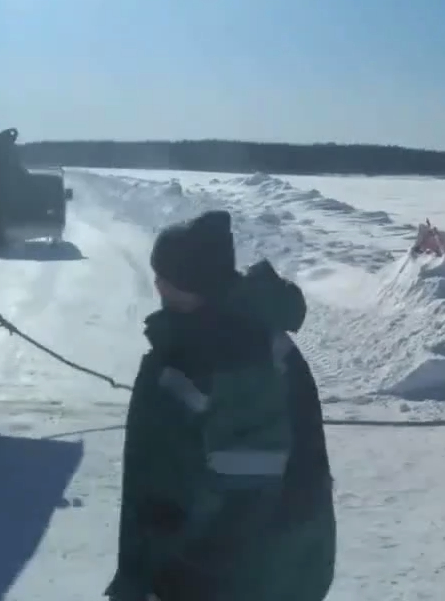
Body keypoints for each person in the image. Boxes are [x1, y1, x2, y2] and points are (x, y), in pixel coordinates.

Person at [105, 209, 336, 601]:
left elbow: (158, 490)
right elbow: (309, 472)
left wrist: (138, 581)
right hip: (282, 576)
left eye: (163, 274)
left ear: (188, 285)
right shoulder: (276, 347)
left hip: (202, 578)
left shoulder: (190, 363)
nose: (156, 281)